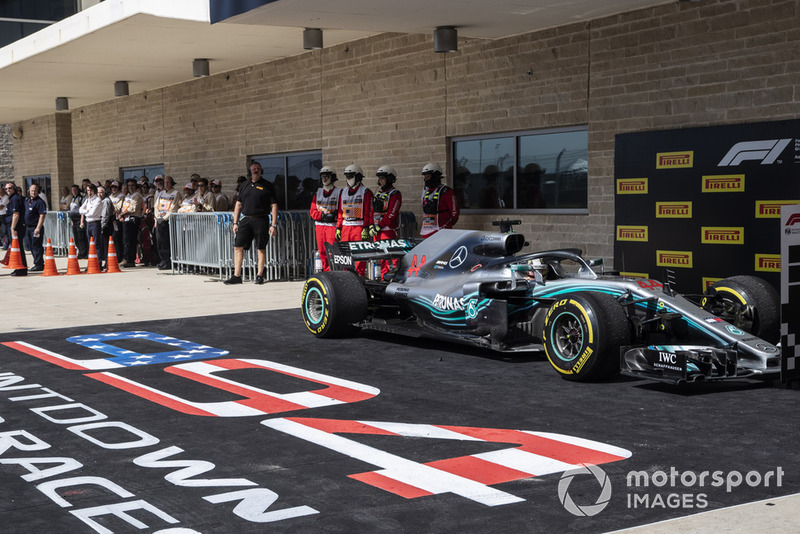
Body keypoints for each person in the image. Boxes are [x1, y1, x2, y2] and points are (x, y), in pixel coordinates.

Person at [224, 161, 278, 285]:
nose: (255, 170)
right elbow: (238, 204)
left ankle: (259, 275)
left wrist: (273, 225)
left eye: (258, 168)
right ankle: (236, 276)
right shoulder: (244, 185)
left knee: (260, 247)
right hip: (246, 219)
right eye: (253, 168)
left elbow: (274, 205)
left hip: (261, 219)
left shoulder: (267, 185)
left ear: (261, 170)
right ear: (250, 171)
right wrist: (235, 222)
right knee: (238, 246)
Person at [336, 164, 373, 277]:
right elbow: (340, 211)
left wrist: (366, 227)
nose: (348, 179)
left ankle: (359, 277)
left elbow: (368, 211)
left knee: (359, 255)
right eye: (346, 177)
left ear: (358, 177)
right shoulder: (343, 192)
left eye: (350, 176)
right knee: (345, 255)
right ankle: (347, 277)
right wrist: (338, 227)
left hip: (359, 226)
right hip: (346, 227)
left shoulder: (365, 192)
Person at [368, 165, 402, 280]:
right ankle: (381, 279)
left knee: (390, 257)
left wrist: (380, 226)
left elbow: (392, 214)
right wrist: (371, 225)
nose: (380, 181)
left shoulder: (395, 194)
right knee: (380, 256)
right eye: (379, 179)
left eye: (383, 178)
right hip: (377, 231)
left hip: (388, 231)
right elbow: (372, 211)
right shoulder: (378, 194)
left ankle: (392, 279)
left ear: (390, 179)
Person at [309, 166, 341, 272]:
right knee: (322, 252)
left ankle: (336, 272)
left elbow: (342, 210)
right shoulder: (317, 193)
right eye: (322, 177)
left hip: (332, 226)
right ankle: (326, 272)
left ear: (332, 177)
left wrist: (334, 216)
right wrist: (322, 216)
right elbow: (312, 212)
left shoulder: (339, 192)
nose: (324, 179)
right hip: (320, 226)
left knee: (332, 251)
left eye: (327, 176)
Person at [420, 162, 459, 239]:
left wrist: (447, 224)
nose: (426, 179)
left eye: (428, 176)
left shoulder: (446, 191)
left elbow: (454, 212)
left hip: (442, 231)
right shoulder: (425, 191)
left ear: (435, 176)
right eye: (425, 176)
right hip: (426, 231)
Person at [154, 176, 181, 270]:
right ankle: (163, 260)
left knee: (167, 242)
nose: (166, 184)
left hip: (168, 221)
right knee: (160, 241)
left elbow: (174, 208)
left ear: (172, 183)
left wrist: (164, 218)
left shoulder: (176, 193)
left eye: (168, 183)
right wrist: (158, 217)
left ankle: (169, 261)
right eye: (165, 183)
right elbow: (156, 206)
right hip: (159, 220)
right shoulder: (161, 193)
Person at [118, 179, 143, 268]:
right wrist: (121, 216)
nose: (130, 187)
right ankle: (128, 260)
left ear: (135, 186)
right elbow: (124, 207)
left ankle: (128, 259)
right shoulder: (128, 196)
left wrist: (122, 214)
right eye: (129, 186)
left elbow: (133, 209)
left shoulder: (137, 196)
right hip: (126, 220)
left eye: (132, 185)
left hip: (133, 220)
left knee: (129, 241)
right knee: (126, 240)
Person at [79, 183, 104, 268]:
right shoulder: (87, 200)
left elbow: (93, 213)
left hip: (95, 223)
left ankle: (99, 263)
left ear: (94, 190)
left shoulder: (97, 200)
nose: (88, 192)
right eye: (87, 190)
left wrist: (87, 211)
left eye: (90, 190)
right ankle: (92, 262)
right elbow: (80, 210)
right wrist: (87, 211)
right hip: (88, 223)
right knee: (90, 244)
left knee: (96, 243)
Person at [5, 182, 27, 275]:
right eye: (6, 189)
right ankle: (18, 267)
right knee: (15, 248)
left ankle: (22, 268)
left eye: (9, 188)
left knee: (19, 248)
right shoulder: (11, 199)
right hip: (13, 225)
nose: (8, 190)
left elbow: (16, 214)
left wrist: (12, 227)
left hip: (17, 226)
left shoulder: (15, 199)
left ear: (14, 188)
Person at [24, 183, 47, 272]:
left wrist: (38, 228)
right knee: (31, 246)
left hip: (35, 227)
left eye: (35, 190)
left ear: (38, 191)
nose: (33, 192)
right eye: (32, 190)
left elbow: (42, 215)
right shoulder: (27, 201)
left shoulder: (40, 202)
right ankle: (36, 262)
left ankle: (39, 264)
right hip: (28, 227)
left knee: (36, 246)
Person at [68, 184, 88, 258]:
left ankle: (84, 252)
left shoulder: (81, 198)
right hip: (74, 220)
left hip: (79, 219)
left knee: (81, 237)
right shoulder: (73, 199)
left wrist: (82, 221)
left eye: (75, 190)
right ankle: (80, 251)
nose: (74, 192)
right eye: (73, 190)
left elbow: (82, 210)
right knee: (76, 237)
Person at [98, 186, 115, 268]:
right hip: (102, 224)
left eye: (101, 192)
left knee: (106, 245)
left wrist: (101, 226)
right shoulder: (99, 201)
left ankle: (108, 263)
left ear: (104, 193)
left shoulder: (106, 201)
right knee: (103, 246)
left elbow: (105, 215)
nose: (99, 194)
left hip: (106, 226)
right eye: (98, 192)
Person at [109, 181, 125, 261]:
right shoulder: (110, 196)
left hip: (118, 219)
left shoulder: (121, 196)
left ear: (118, 188)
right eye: (112, 187)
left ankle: (119, 257)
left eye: (115, 187)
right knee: (113, 238)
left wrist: (111, 209)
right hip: (111, 219)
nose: (113, 189)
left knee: (117, 238)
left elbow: (118, 208)